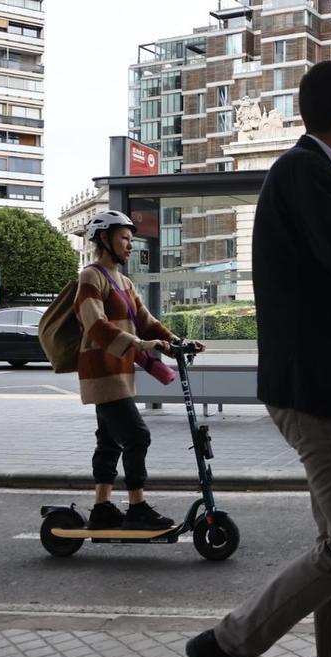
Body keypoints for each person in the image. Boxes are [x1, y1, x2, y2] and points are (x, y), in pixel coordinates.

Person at [186, 60, 331, 657]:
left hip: (320, 385)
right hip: (319, 391)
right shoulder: (308, 171)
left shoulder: (309, 173)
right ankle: (227, 644)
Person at [73, 210, 201, 530]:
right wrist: (144, 346)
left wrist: (176, 341)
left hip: (119, 370)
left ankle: (102, 507)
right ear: (104, 239)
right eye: (124, 238)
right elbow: (96, 326)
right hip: (102, 370)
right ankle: (137, 507)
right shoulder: (91, 277)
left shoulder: (125, 282)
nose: (130, 245)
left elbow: (146, 321)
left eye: (132, 239)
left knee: (109, 440)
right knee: (137, 436)